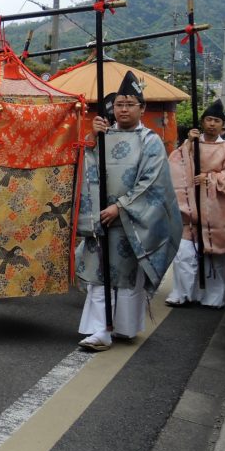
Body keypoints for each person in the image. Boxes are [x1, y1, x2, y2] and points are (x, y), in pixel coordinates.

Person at [75, 71, 182, 349]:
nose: (123, 109)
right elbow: (87, 171)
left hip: (132, 223)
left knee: (126, 278)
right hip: (102, 220)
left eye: (130, 104)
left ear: (141, 109)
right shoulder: (104, 136)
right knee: (100, 277)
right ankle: (100, 329)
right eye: (119, 104)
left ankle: (123, 327)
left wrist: (120, 207)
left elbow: (152, 183)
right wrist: (92, 140)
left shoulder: (151, 141)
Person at [167, 99, 225, 308]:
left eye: (217, 120)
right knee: (184, 253)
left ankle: (214, 298)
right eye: (209, 119)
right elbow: (175, 164)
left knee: (215, 255)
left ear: (223, 125)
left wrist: (210, 179)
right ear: (202, 122)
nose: (212, 124)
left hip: (216, 208)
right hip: (190, 205)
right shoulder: (192, 144)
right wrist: (186, 144)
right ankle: (181, 293)